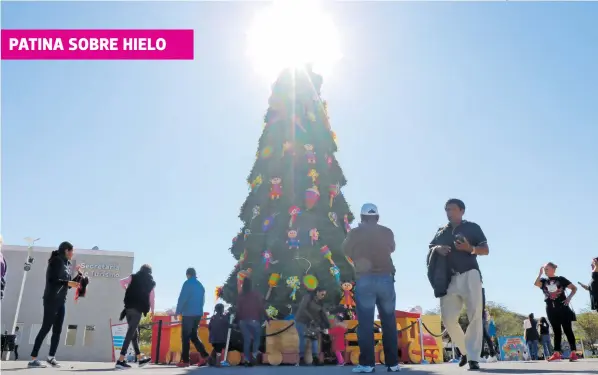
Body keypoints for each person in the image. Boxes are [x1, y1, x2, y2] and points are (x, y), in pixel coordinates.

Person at [429, 199, 489, 371]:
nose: (449, 212)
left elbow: (485, 249)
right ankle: (465, 351)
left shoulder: (472, 227)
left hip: (470, 274)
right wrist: (437, 248)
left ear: (462, 211)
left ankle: (473, 358)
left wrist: (470, 248)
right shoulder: (442, 231)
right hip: (448, 279)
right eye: (446, 209)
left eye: (453, 209)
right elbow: (430, 246)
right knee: (447, 318)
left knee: (475, 315)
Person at [342, 203, 400, 373]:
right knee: (389, 321)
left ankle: (367, 364)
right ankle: (393, 363)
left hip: (364, 279)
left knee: (366, 323)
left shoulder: (354, 233)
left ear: (361, 217)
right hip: (386, 279)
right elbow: (392, 248)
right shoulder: (387, 231)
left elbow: (345, 250)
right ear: (377, 217)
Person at [28, 242, 81, 368]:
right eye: (72, 251)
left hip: (61, 300)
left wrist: (79, 275)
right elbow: (53, 280)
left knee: (57, 330)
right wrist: (67, 283)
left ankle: (51, 357)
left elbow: (68, 283)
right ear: (67, 250)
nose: (73, 253)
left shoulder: (67, 264)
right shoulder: (56, 261)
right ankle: (33, 358)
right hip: (51, 299)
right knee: (46, 327)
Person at [534, 262, 578, 362]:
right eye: (544, 269)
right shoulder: (543, 281)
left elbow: (574, 288)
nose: (545, 271)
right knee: (556, 330)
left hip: (563, 308)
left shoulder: (561, 279)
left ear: (553, 269)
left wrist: (569, 298)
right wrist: (540, 274)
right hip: (550, 309)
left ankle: (573, 353)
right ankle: (557, 353)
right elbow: (536, 284)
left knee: (567, 330)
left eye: (547, 269)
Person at [114, 264, 155, 369]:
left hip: (128, 308)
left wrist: (127, 289)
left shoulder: (134, 277)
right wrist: (152, 311)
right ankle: (120, 360)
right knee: (131, 331)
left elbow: (121, 282)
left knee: (134, 333)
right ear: (150, 272)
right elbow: (152, 298)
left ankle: (140, 357)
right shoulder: (150, 283)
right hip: (138, 309)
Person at [175, 267, 209, 367]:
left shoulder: (187, 283)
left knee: (185, 337)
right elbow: (203, 301)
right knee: (194, 336)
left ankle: (185, 361)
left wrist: (178, 311)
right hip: (198, 314)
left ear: (188, 274)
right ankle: (205, 356)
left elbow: (182, 298)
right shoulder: (200, 285)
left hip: (188, 314)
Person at [236, 278, 269, 366]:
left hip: (243, 321)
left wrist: (237, 321)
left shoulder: (240, 295)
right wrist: (267, 317)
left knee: (247, 340)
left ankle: (246, 359)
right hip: (254, 319)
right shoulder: (256, 294)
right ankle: (254, 355)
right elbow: (261, 307)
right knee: (257, 338)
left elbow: (238, 310)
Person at [295, 286, 329, 366]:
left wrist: (326, 326)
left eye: (324, 295)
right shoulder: (307, 297)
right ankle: (301, 359)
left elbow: (322, 313)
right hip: (302, 321)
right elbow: (303, 309)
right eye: (322, 294)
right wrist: (312, 318)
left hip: (312, 322)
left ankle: (315, 359)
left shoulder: (320, 302)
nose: (323, 296)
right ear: (317, 292)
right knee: (303, 339)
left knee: (314, 339)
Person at [481, 289, 497, 362]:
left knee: (482, 336)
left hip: (479, 317)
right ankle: (491, 354)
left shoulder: (478, 290)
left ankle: (482, 356)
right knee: (484, 335)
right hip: (481, 316)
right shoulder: (480, 290)